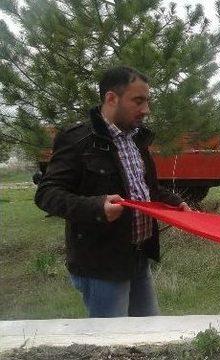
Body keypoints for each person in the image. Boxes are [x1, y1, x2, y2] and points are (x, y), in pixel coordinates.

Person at [35, 66, 190, 317]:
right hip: (102, 264)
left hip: (139, 257)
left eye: (147, 101)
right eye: (138, 101)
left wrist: (174, 203)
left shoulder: (136, 138)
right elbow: (46, 194)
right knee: (111, 344)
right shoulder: (78, 140)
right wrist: (96, 208)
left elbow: (143, 188)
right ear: (111, 98)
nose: (146, 110)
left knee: (148, 336)